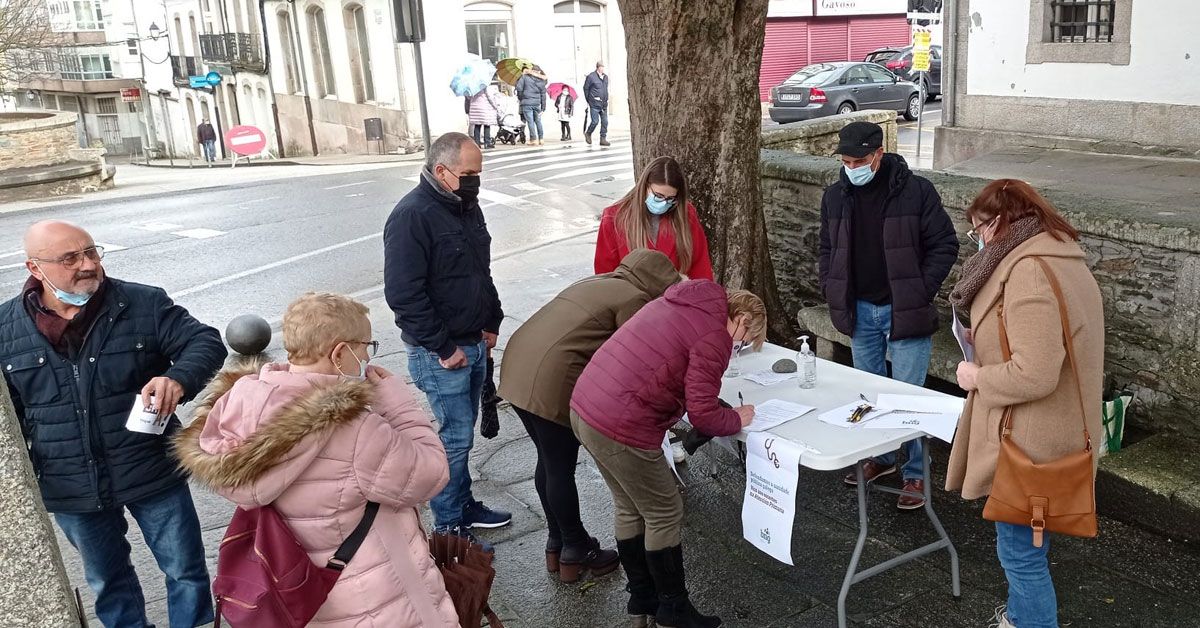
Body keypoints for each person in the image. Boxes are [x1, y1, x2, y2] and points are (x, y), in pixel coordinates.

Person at [174, 292, 460, 627]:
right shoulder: (352, 428)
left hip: (313, 599)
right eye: (367, 345)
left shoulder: (242, 402)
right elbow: (430, 474)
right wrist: (398, 405)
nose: (368, 355)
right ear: (340, 353)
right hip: (382, 596)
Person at [0, 220, 226, 628]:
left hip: (151, 467)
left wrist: (177, 379)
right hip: (70, 484)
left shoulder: (142, 303)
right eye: (70, 258)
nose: (87, 264)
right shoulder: (5, 328)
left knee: (185, 572)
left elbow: (205, 342)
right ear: (35, 269)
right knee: (107, 582)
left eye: (91, 251)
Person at [947, 180, 1104, 628]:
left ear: (999, 222)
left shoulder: (1029, 269)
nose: (975, 237)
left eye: (977, 227)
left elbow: (1035, 372)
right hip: (1052, 432)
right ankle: (1018, 615)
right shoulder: (1057, 255)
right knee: (1025, 550)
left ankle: (1027, 622)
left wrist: (977, 375)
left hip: (1029, 442)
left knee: (1021, 557)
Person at [571, 281, 765, 628]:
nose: (738, 347)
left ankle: (642, 600)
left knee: (630, 506)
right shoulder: (714, 335)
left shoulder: (678, 302)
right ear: (741, 319)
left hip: (587, 406)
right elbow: (704, 414)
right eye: (744, 340)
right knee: (664, 511)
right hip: (623, 423)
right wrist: (735, 417)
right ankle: (674, 610)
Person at [498, 249, 681, 583]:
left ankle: (557, 542)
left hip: (516, 367)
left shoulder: (601, 280)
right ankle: (575, 547)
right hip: (553, 379)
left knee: (549, 462)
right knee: (560, 467)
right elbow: (640, 356)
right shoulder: (636, 299)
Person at [818, 120, 959, 509]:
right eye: (846, 160)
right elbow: (827, 250)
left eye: (859, 159)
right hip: (859, 310)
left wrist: (918, 288)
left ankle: (914, 475)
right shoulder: (835, 196)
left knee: (908, 398)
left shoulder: (915, 193)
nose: (852, 166)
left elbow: (945, 245)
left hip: (904, 310)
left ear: (879, 154)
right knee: (870, 394)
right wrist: (831, 286)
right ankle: (881, 459)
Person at [383, 132, 511, 547]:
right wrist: (444, 348)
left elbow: (480, 271)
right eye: (469, 173)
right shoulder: (412, 216)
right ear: (442, 171)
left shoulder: (465, 207)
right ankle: (449, 527)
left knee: (462, 435)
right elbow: (404, 295)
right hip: (442, 352)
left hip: (472, 341)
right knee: (454, 440)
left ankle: (463, 504)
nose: (476, 181)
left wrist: (491, 320)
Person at [595, 155, 714, 281]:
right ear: (645, 186)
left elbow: (700, 265)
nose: (664, 202)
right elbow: (605, 273)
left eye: (670, 198)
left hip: (675, 296)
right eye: (658, 195)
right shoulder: (614, 218)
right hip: (631, 297)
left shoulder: (685, 213)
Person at [516, 65, 548, 146]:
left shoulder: (525, 77)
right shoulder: (542, 81)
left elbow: (519, 89)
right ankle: (541, 139)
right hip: (537, 104)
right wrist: (543, 107)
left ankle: (533, 139)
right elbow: (543, 95)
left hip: (527, 103)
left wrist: (521, 98)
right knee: (538, 121)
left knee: (530, 122)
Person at [583, 61, 610, 146]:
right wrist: (589, 100)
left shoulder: (605, 77)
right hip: (594, 103)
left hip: (604, 104)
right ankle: (588, 133)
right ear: (598, 67)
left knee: (605, 122)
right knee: (595, 121)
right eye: (601, 67)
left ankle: (603, 139)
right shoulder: (591, 77)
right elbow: (585, 89)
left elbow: (605, 89)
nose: (602, 69)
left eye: (603, 67)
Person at [468, 84, 503, 149]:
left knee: (477, 126)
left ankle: (477, 143)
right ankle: (487, 143)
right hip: (485, 107)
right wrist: (495, 106)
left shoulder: (472, 87)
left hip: (475, 108)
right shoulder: (484, 86)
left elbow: (469, 97)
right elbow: (490, 97)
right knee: (487, 125)